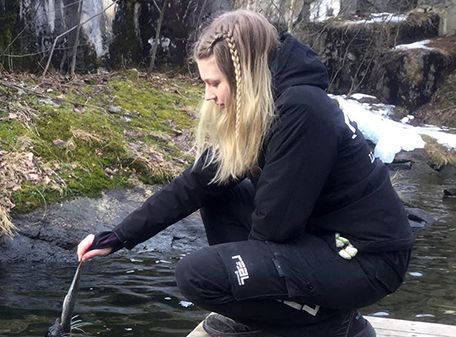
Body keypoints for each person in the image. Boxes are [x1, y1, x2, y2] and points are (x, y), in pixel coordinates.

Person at [77, 9, 413, 337]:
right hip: (324, 239)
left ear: (243, 75)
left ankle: (329, 324)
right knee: (216, 192)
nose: (209, 95)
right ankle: (291, 314)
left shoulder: (302, 111)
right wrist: (119, 237)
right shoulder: (268, 103)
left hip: (368, 260)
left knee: (196, 275)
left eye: (214, 83)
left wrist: (241, 282)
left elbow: (274, 229)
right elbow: (195, 183)